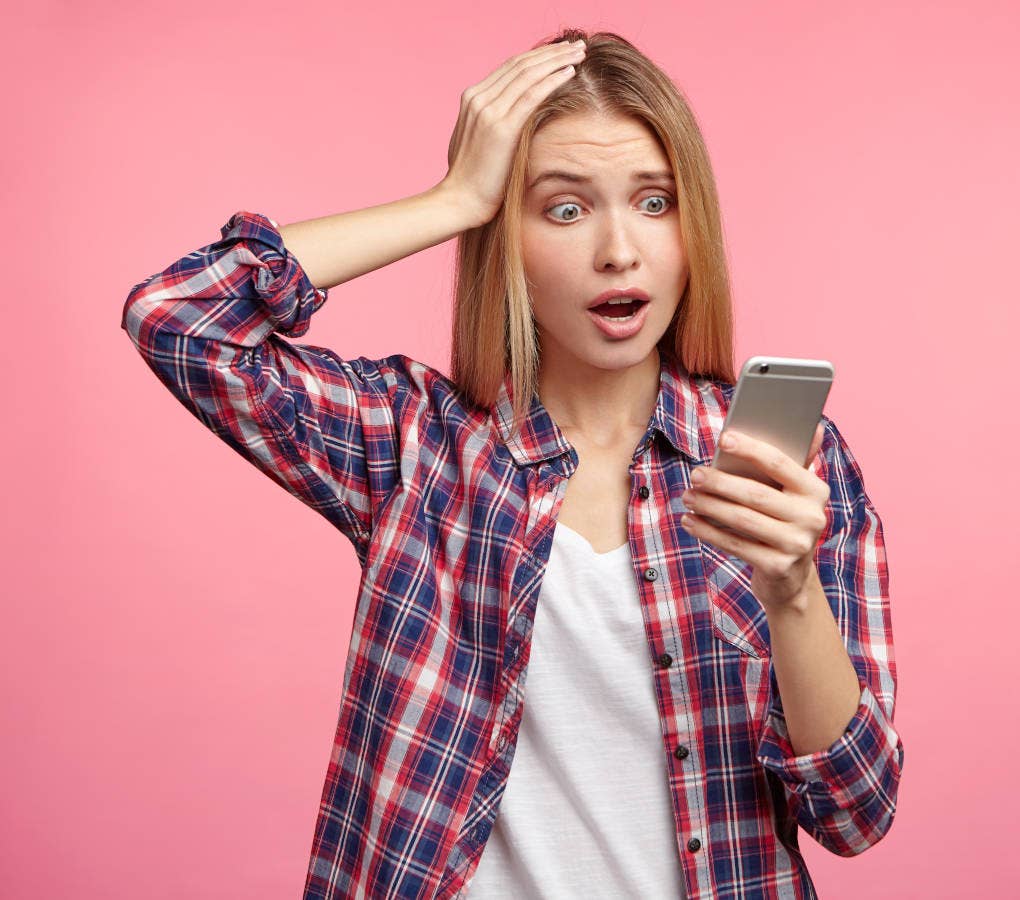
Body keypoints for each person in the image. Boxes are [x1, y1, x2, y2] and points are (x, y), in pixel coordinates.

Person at [121, 29, 902, 900]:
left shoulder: (790, 462)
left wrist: (790, 593)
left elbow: (855, 812)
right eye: (565, 209)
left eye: (654, 201)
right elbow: (177, 316)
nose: (619, 250)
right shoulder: (417, 445)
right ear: (506, 235)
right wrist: (454, 199)